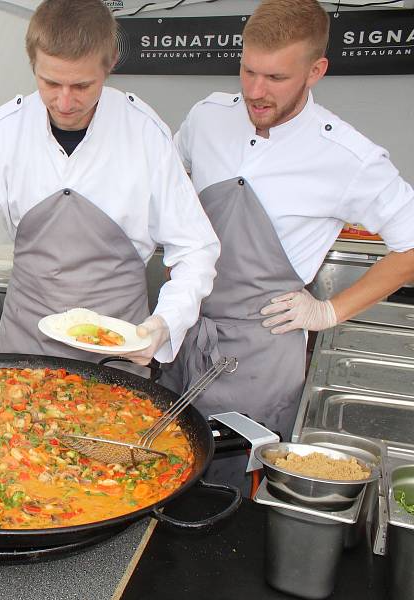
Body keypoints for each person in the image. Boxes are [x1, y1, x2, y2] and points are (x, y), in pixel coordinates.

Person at [165, 0, 414, 488]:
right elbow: (166, 188)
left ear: (315, 70)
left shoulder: (348, 157)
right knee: (159, 467)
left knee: (227, 492)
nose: (256, 91)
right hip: (185, 334)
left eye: (276, 78)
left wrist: (328, 312)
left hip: (259, 356)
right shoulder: (208, 117)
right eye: (248, 71)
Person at [0, 0, 220, 368]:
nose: (64, 102)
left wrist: (165, 323)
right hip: (23, 351)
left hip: (116, 358)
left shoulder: (145, 135)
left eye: (82, 85)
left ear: (111, 63)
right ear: (32, 62)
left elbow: (196, 249)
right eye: (50, 82)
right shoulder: (6, 132)